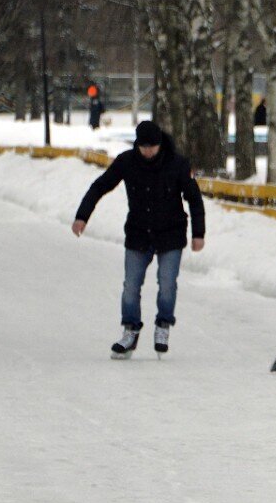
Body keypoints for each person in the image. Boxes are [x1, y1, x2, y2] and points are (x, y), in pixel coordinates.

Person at [71, 120, 205, 359]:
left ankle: (163, 326)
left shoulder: (177, 164)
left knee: (167, 284)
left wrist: (198, 234)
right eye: (143, 147)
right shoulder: (126, 162)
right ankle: (130, 331)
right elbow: (100, 186)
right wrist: (82, 216)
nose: (148, 152)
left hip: (170, 233)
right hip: (138, 233)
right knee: (130, 287)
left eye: (152, 147)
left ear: (160, 145)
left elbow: (194, 199)